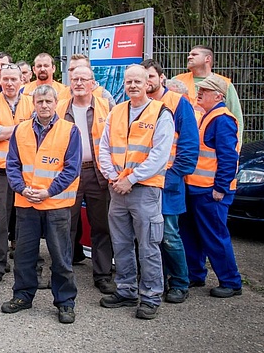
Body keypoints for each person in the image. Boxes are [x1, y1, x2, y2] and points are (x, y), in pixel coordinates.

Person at [98, 64, 174, 320]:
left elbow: (159, 156)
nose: (132, 86)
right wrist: (112, 176)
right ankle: (126, 289)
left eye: (138, 82)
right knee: (121, 243)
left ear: (147, 83)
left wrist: (131, 179)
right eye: (129, 81)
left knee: (149, 245)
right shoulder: (116, 112)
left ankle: (151, 296)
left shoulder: (161, 113)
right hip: (117, 189)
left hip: (145, 190)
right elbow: (104, 148)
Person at [3, 84, 81, 324]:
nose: (44, 106)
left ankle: (65, 302)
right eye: (40, 102)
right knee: (24, 256)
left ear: (56, 103)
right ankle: (23, 296)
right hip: (26, 204)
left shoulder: (70, 131)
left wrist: (49, 191)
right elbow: (12, 164)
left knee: (60, 257)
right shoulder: (20, 130)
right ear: (33, 104)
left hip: (56, 204)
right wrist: (21, 188)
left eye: (48, 101)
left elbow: (72, 169)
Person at [142, 59, 199, 303]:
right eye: (142, 78)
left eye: (150, 77)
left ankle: (179, 282)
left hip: (168, 181)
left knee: (169, 234)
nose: (146, 83)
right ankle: (156, 278)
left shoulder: (177, 103)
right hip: (144, 181)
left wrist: (175, 174)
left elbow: (188, 143)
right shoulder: (138, 105)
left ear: (161, 78)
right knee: (147, 235)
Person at [181, 75, 243, 299]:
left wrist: (221, 187)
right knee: (195, 235)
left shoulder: (222, 119)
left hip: (211, 191)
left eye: (205, 91)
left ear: (218, 96)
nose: (199, 93)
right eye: (200, 90)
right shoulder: (206, 116)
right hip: (198, 188)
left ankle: (231, 282)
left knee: (215, 236)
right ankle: (195, 274)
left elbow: (228, 158)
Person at [55, 65, 116, 295]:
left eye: (83, 79)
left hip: (97, 173)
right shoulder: (60, 108)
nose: (79, 83)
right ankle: (63, 272)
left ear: (93, 83)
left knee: (101, 225)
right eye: (75, 79)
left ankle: (102, 275)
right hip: (68, 173)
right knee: (65, 223)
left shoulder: (107, 107)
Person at [0, 63, 34, 288]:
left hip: (26, 171)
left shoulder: (32, 102)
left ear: (22, 80)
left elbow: (41, 130)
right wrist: (23, 128)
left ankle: (29, 267)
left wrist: (7, 129)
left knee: (26, 221)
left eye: (14, 79)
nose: (10, 83)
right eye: (6, 79)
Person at [174, 45, 244, 139]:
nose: (189, 57)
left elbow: (236, 116)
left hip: (211, 142)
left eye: (194, 54)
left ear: (207, 58)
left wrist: (237, 144)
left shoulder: (224, 84)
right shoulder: (177, 80)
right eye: (189, 54)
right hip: (182, 141)